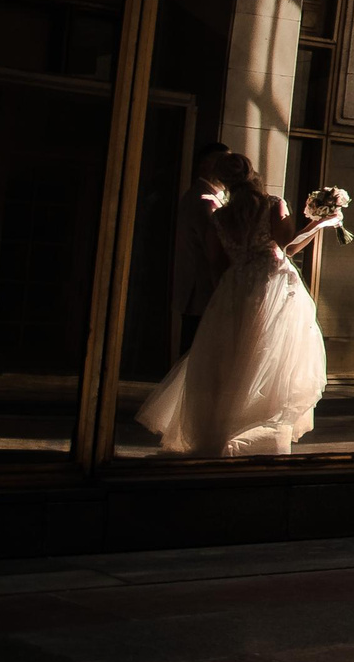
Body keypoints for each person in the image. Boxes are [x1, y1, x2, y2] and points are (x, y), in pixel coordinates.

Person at [136, 152, 340, 456]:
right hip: (271, 284)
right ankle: (258, 433)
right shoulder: (272, 204)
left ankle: (221, 432)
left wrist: (227, 292)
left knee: (229, 360)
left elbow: (215, 262)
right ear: (252, 173)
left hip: (235, 287)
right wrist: (319, 224)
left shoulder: (220, 216)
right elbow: (289, 246)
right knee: (270, 358)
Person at [172, 142, 232, 351]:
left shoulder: (211, 197)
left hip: (203, 289)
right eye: (222, 162)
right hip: (201, 291)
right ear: (207, 165)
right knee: (196, 352)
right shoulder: (203, 199)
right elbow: (215, 244)